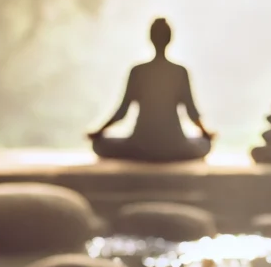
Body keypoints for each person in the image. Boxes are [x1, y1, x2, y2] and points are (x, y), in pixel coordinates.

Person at [88, 18, 214, 162]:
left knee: (99, 144)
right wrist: (205, 133)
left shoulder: (137, 71)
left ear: (151, 38)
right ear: (170, 39)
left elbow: (122, 112)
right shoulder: (180, 72)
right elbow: (191, 112)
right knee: (205, 144)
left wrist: (99, 132)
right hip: (174, 146)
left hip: (140, 146)